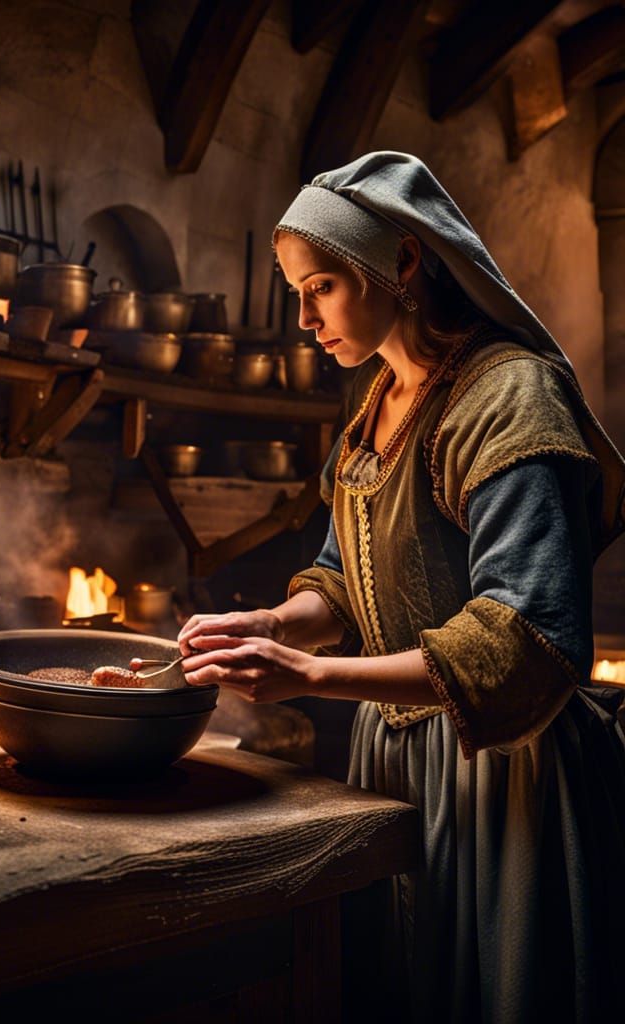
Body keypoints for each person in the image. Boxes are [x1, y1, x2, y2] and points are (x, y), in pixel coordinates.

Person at [177, 152, 625, 1023]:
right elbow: (345, 579)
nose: (303, 319)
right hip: (395, 764)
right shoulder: (379, 402)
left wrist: (311, 677)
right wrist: (271, 621)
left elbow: (524, 637)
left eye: (322, 287)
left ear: (403, 262)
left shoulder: (509, 397)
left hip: (505, 771)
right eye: (295, 293)